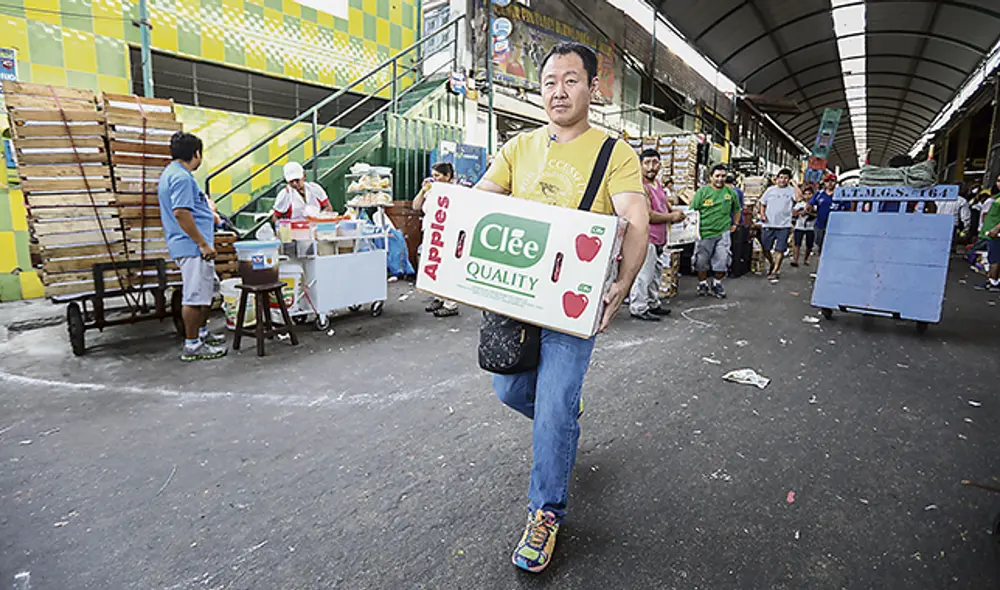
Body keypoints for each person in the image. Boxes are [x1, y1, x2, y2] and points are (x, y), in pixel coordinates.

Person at [475, 41, 648, 574]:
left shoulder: (613, 152)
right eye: (550, 81)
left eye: (571, 80)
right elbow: (481, 197)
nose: (558, 91)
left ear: (593, 88)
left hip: (573, 304)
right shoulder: (518, 148)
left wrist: (623, 282)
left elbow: (635, 219)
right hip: (518, 301)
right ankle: (562, 424)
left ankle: (545, 511)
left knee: (553, 404)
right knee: (510, 390)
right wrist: (445, 202)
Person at [158, 132, 227, 361]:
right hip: (192, 247)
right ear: (196, 153)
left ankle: (202, 333)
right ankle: (192, 346)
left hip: (195, 247)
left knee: (207, 292)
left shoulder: (174, 173)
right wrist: (202, 243)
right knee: (195, 296)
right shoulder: (181, 178)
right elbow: (181, 213)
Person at [629, 149, 685, 321]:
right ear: (640, 165)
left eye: (655, 162)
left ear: (660, 165)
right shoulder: (641, 187)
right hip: (646, 238)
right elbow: (649, 215)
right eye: (647, 163)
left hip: (660, 239)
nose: (651, 167)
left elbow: (665, 205)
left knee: (655, 273)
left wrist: (677, 211)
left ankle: (653, 303)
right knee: (644, 274)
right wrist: (672, 217)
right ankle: (638, 307)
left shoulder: (658, 185)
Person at [412, 162, 460, 318]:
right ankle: (438, 297)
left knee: (446, 265)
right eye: (433, 176)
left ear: (448, 176)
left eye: (438, 176)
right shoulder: (431, 190)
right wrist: (423, 190)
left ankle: (451, 303)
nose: (434, 179)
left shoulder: (455, 191)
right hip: (430, 231)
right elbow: (416, 206)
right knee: (433, 264)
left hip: (446, 232)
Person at [690, 164, 741, 298]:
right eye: (717, 176)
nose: (720, 179)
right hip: (704, 233)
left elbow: (737, 210)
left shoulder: (731, 193)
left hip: (723, 233)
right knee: (701, 262)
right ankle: (702, 284)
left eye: (723, 176)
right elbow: (692, 211)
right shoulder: (702, 192)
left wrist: (735, 224)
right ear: (711, 177)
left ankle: (717, 284)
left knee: (722, 261)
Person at [757, 168, 799, 280]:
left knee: (779, 249)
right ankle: (772, 263)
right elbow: (762, 203)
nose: (783, 180)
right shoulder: (770, 190)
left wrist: (794, 184)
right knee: (765, 248)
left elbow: (799, 198)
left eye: (786, 178)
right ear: (777, 179)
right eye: (781, 177)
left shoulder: (791, 190)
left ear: (789, 179)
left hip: (784, 225)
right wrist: (762, 214)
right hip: (768, 224)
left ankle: (775, 271)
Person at [808, 173, 848, 252]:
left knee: (832, 247)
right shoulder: (819, 194)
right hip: (820, 225)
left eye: (832, 181)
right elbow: (810, 204)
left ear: (836, 182)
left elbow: (848, 208)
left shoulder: (841, 195)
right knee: (819, 245)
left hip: (835, 226)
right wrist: (809, 209)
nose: (829, 183)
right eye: (827, 181)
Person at [974, 197, 1000, 292]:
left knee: (995, 259)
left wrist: (996, 229)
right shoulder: (996, 198)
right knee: (993, 257)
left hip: (995, 234)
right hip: (990, 233)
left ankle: (993, 282)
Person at [791, 185, 816, 267]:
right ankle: (795, 260)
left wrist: (809, 213)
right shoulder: (800, 204)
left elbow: (817, 215)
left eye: (809, 194)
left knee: (809, 245)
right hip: (799, 226)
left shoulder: (815, 204)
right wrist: (799, 213)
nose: (807, 196)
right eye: (805, 194)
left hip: (811, 227)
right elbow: (794, 213)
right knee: (797, 244)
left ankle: (806, 259)